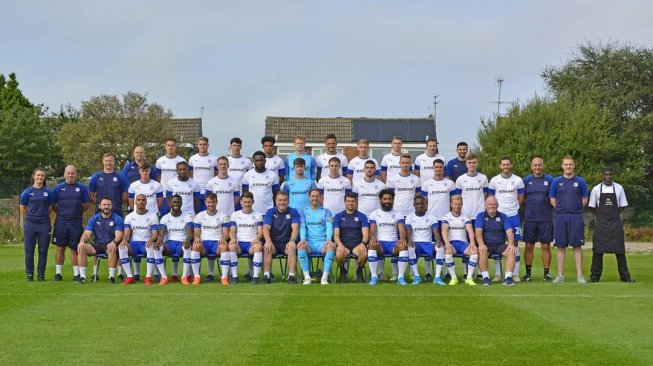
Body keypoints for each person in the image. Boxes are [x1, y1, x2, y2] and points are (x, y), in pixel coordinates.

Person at [588, 167, 635, 283]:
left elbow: (623, 205)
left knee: (620, 250)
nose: (608, 177)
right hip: (601, 224)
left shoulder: (619, 188)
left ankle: (625, 276)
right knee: (598, 251)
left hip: (615, 224)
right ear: (602, 175)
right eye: (606, 175)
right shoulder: (596, 189)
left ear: (613, 175)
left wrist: (614, 214)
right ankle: (595, 276)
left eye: (610, 174)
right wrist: (601, 216)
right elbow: (592, 207)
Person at [549, 156, 589, 284]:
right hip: (561, 217)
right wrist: (561, 209)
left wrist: (575, 209)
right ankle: (560, 275)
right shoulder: (556, 181)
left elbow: (584, 199)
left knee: (577, 246)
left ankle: (580, 276)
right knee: (560, 246)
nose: (568, 167)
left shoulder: (580, 181)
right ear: (562, 166)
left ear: (574, 166)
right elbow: (552, 199)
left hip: (576, 217)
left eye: (570, 164)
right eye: (566, 164)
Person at [487, 156, 525, 281]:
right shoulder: (494, 181)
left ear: (511, 165)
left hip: (513, 215)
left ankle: (515, 273)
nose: (505, 167)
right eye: (503, 164)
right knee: (498, 242)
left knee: (514, 243)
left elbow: (521, 198)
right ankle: (498, 274)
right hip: (499, 216)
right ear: (500, 166)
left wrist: (513, 208)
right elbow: (491, 199)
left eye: (507, 164)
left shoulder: (518, 180)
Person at [51, 165, 90, 281]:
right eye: (68, 173)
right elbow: (52, 205)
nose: (70, 175)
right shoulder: (58, 188)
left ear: (76, 174)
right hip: (61, 222)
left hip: (76, 222)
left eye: (72, 173)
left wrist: (76, 211)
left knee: (75, 249)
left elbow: (87, 204)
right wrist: (63, 213)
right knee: (60, 248)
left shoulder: (82, 188)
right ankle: (58, 273)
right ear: (64, 175)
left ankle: (76, 274)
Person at [420, 158, 455, 280]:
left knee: (445, 245)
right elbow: (423, 202)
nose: (439, 169)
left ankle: (446, 272)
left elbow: (453, 200)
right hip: (431, 219)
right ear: (433, 168)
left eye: (441, 167)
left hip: (445, 219)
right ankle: (429, 272)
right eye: (436, 167)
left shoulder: (450, 184)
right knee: (430, 245)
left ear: (443, 169)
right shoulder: (426, 184)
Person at [76, 197, 123, 284]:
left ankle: (111, 277)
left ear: (111, 206)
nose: (106, 207)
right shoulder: (94, 219)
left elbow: (119, 235)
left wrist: (114, 242)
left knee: (112, 248)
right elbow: (86, 234)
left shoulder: (118, 219)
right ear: (100, 206)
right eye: (104, 205)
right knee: (82, 247)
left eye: (108, 205)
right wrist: (82, 241)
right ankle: (82, 277)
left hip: (110, 244)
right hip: (97, 245)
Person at [522, 157, 554, 282]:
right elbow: (522, 198)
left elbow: (554, 197)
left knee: (545, 246)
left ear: (543, 166)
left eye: (539, 165)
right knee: (529, 246)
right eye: (535, 165)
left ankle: (546, 274)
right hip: (530, 218)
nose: (537, 167)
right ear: (531, 166)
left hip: (545, 218)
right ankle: (528, 274)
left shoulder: (550, 180)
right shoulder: (526, 180)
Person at [366, 189, 407, 285]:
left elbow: (401, 229)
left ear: (393, 200)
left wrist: (402, 239)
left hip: (393, 244)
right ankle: (374, 277)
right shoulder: (374, 213)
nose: (387, 201)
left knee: (403, 246)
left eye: (389, 199)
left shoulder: (398, 213)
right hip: (380, 244)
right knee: (371, 245)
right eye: (385, 199)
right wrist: (373, 238)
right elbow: (372, 230)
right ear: (380, 200)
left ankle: (400, 277)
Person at [20, 167, 54, 282]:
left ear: (44, 178)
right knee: (29, 251)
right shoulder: (27, 192)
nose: (40, 177)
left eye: (42, 176)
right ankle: (29, 274)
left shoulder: (48, 192)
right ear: (34, 176)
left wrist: (42, 215)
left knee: (43, 251)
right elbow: (22, 208)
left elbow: (50, 207)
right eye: (38, 175)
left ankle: (41, 275)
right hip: (30, 224)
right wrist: (31, 216)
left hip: (44, 224)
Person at [118, 194, 161, 285]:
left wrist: (151, 239)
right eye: (139, 200)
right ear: (135, 202)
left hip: (146, 243)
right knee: (121, 248)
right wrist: (124, 240)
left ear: (146, 202)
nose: (141, 202)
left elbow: (155, 235)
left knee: (150, 247)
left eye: (143, 200)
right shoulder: (129, 217)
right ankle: (130, 277)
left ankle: (148, 277)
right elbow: (126, 234)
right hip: (134, 244)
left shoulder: (153, 216)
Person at [475, 196, 518, 286]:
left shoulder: (503, 216)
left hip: (500, 245)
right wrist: (481, 244)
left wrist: (511, 244)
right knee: (482, 251)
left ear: (497, 205)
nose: (492, 206)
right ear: (485, 206)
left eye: (494, 204)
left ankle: (508, 278)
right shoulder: (480, 216)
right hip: (487, 245)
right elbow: (478, 232)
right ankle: (486, 278)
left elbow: (509, 231)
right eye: (489, 204)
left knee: (512, 251)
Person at [297, 189, 335, 285]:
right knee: (301, 246)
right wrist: (303, 239)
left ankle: (324, 278)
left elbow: (329, 227)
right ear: (309, 197)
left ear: (320, 197)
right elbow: (302, 227)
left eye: (317, 196)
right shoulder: (303, 212)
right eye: (313, 196)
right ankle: (307, 277)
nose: (315, 198)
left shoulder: (327, 212)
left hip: (322, 243)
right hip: (309, 243)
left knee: (331, 246)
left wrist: (329, 240)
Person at [191, 193, 230, 285]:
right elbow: (196, 232)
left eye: (213, 202)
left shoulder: (223, 216)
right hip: (204, 243)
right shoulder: (199, 216)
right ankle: (196, 277)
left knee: (224, 247)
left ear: (217, 202)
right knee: (196, 245)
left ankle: (224, 277)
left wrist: (223, 238)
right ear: (205, 202)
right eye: (209, 202)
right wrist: (196, 238)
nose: (211, 204)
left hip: (216, 243)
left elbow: (225, 233)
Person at [262, 191, 300, 284]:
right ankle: (267, 275)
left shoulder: (293, 211)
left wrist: (292, 241)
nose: (282, 202)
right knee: (267, 248)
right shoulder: (270, 212)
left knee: (292, 248)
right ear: (276, 201)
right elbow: (266, 227)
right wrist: (268, 241)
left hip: (286, 242)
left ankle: (291, 276)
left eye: (284, 200)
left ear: (288, 201)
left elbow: (295, 228)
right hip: (273, 242)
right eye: (280, 200)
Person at [440, 195, 478, 286]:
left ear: (462, 205)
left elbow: (470, 231)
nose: (457, 206)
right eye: (455, 204)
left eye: (459, 204)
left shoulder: (465, 217)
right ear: (451, 205)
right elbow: (444, 231)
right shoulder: (446, 217)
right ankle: (454, 278)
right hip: (452, 243)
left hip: (463, 244)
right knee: (448, 251)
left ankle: (469, 278)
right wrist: (447, 243)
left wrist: (472, 243)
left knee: (474, 251)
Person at [157, 194, 194, 283]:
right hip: (170, 244)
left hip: (182, 243)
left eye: (178, 202)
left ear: (181, 203)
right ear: (170, 204)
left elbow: (190, 233)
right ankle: (164, 277)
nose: (176, 204)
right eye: (174, 202)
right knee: (157, 248)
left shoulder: (187, 217)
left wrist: (187, 240)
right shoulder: (165, 218)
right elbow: (162, 233)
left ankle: (184, 277)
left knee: (187, 247)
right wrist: (159, 241)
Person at [228, 192, 264, 284]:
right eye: (245, 202)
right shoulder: (235, 214)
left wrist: (257, 238)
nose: (247, 204)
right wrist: (232, 239)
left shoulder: (258, 215)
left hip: (251, 243)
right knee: (231, 246)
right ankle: (234, 276)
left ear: (253, 202)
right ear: (241, 202)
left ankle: (255, 276)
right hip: (239, 244)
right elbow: (232, 231)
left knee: (258, 247)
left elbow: (260, 232)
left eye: (249, 202)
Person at [405, 196, 441, 285]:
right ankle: (417, 276)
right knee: (410, 248)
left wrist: (438, 241)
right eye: (418, 204)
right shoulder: (409, 217)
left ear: (426, 204)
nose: (420, 206)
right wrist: (409, 240)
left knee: (440, 248)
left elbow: (436, 231)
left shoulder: (432, 216)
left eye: (422, 204)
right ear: (414, 205)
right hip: (416, 244)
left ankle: (437, 277)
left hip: (428, 243)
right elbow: (408, 232)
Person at [333, 193, 369, 283]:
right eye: (348, 201)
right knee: (339, 255)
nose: (350, 203)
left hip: (357, 244)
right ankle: (342, 270)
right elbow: (336, 235)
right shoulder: (338, 216)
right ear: (345, 202)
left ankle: (359, 271)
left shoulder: (362, 216)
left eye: (352, 201)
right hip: (344, 244)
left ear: (356, 202)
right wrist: (340, 244)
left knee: (364, 254)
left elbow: (365, 234)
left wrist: (363, 244)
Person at [89, 153, 129, 217]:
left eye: (110, 161)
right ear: (103, 162)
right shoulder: (95, 177)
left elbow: (125, 195)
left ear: (114, 162)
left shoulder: (121, 177)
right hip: (100, 213)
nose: (108, 163)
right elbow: (91, 196)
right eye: (106, 161)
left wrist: (116, 203)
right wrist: (101, 204)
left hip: (117, 212)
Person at [242, 151, 280, 215]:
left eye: (261, 160)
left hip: (268, 212)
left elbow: (276, 194)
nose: (259, 163)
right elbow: (245, 194)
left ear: (265, 161)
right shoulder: (247, 175)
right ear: (253, 162)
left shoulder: (272, 175)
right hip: (252, 212)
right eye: (256, 161)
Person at [156, 137, 187, 216]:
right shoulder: (160, 161)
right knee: (164, 217)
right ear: (165, 146)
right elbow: (158, 176)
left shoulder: (181, 160)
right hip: (164, 194)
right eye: (168, 145)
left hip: (177, 193)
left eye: (172, 145)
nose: (170, 147)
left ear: (175, 147)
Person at [455, 154, 488, 224]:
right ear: (466, 164)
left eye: (474, 162)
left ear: (477, 163)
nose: (472, 165)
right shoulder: (460, 179)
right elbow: (458, 197)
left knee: (479, 234)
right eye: (469, 163)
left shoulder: (483, 178)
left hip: (480, 214)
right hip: (465, 214)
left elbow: (485, 194)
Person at [385, 154, 420, 218]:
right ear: (399, 163)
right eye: (403, 162)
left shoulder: (416, 179)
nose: (405, 165)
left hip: (411, 213)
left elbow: (417, 197)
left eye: (407, 163)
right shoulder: (393, 179)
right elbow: (390, 197)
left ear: (411, 164)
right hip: (396, 212)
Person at [188, 136, 218, 211]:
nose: (202, 146)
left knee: (209, 212)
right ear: (197, 145)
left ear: (208, 145)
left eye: (204, 144)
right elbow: (190, 175)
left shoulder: (214, 158)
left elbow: (216, 175)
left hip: (209, 190)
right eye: (200, 144)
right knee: (197, 212)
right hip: (196, 190)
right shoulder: (192, 159)